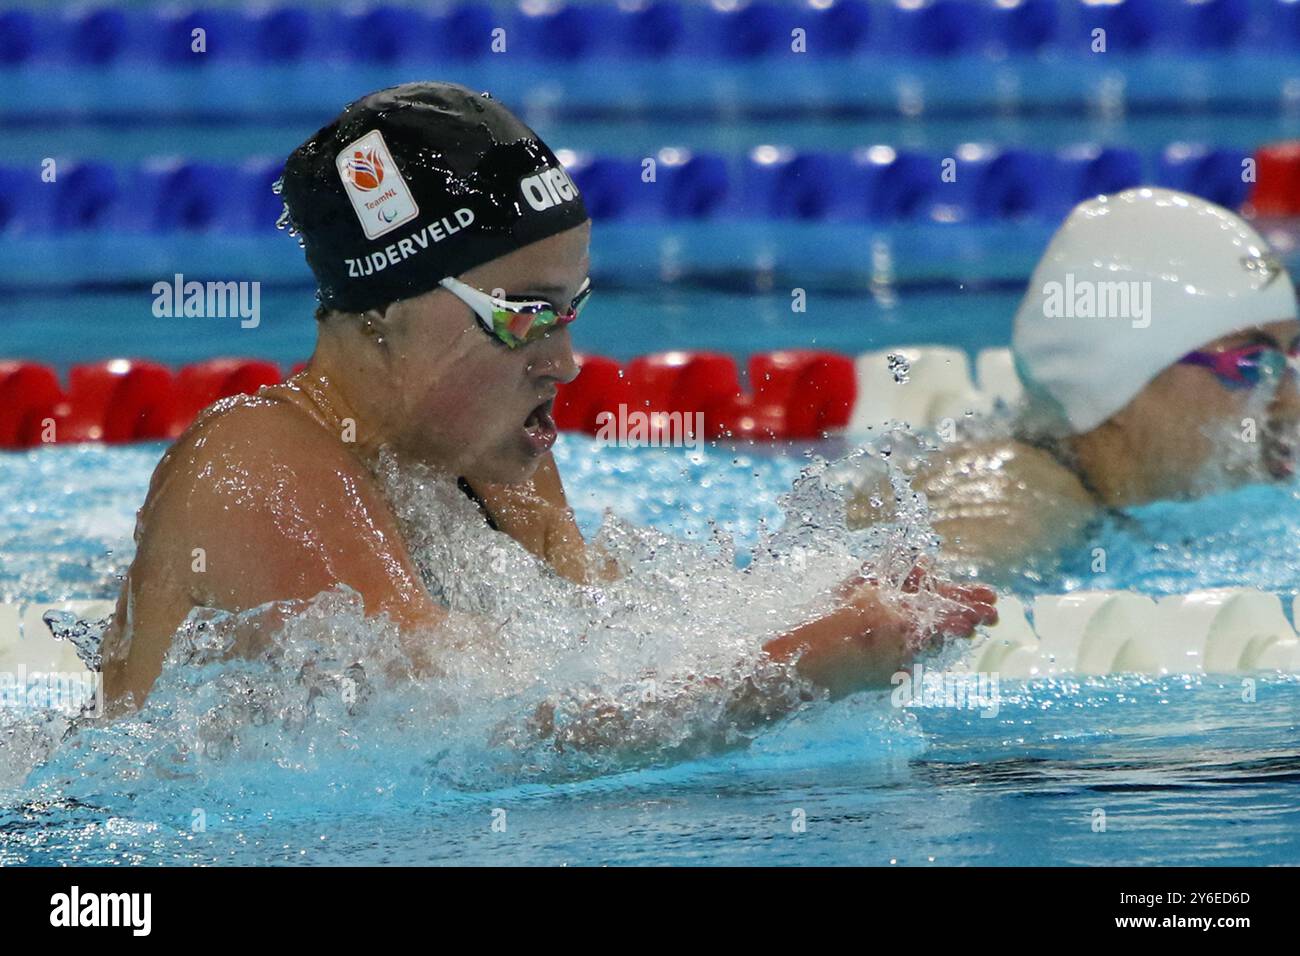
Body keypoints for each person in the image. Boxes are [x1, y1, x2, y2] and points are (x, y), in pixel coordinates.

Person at [99, 82, 996, 718]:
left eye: (571, 311)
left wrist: (808, 611)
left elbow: (605, 652)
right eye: (525, 316)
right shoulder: (259, 467)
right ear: (384, 312)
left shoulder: (493, 467)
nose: (565, 362)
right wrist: (793, 667)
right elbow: (468, 738)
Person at [848, 187, 1300, 574]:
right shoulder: (1021, 494)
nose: (1289, 401)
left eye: (1291, 358)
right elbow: (909, 614)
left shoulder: (1097, 496)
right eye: (1250, 365)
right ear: (1118, 386)